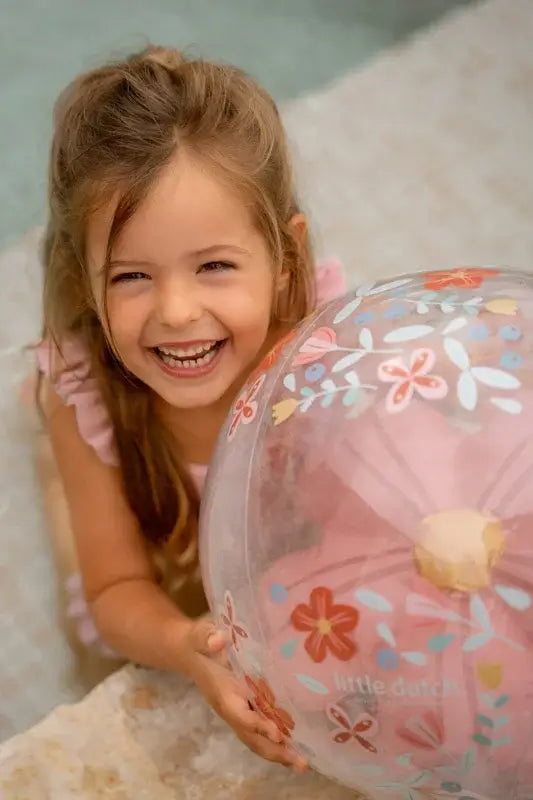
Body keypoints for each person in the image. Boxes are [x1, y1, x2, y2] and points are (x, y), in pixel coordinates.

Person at [33, 44, 346, 770]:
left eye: (214, 265)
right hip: (162, 540)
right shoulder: (84, 398)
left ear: (285, 263)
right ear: (84, 283)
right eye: (132, 275)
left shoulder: (324, 345)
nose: (176, 312)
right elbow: (113, 589)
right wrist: (185, 645)